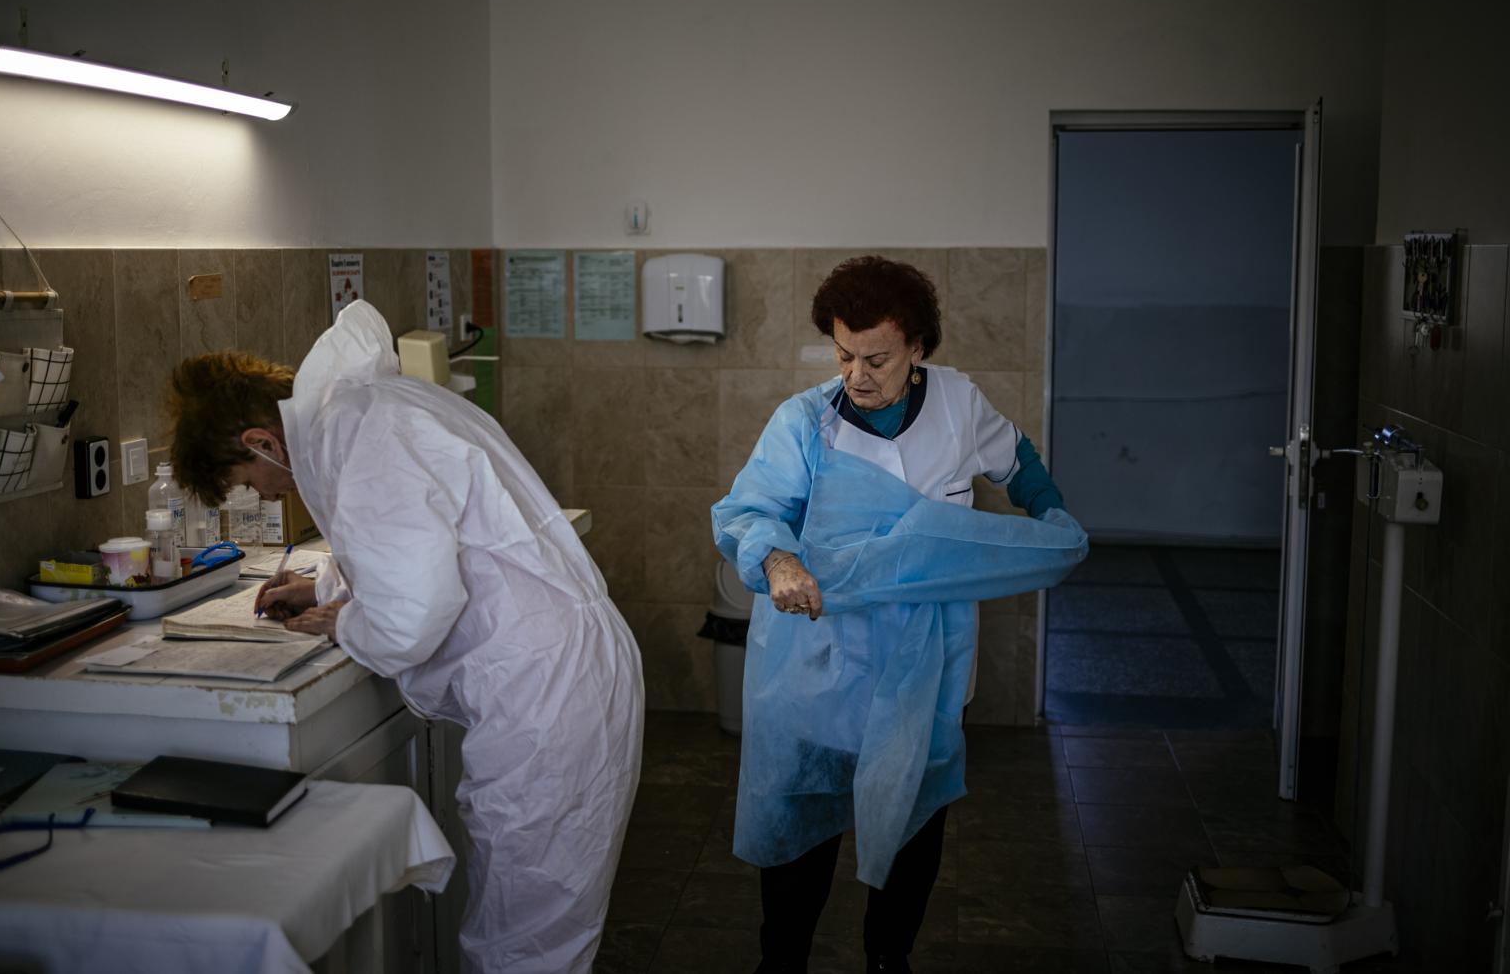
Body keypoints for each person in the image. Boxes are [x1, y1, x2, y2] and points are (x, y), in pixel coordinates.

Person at [165, 301, 644, 974]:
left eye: (251, 483)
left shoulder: (355, 433)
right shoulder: (367, 407)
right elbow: (414, 540)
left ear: (259, 442)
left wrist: (349, 621)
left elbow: (412, 615)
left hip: (544, 690)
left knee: (524, 940)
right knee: (531, 922)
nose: (267, 496)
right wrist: (330, 587)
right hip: (557, 670)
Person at [712, 256, 1080, 974]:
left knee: (912, 822)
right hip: (825, 664)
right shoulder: (805, 424)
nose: (857, 374)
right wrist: (777, 560)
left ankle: (889, 956)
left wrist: (1054, 516)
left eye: (876, 357)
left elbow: (1018, 463)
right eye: (844, 354)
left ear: (917, 348)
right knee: (805, 830)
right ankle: (781, 961)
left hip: (927, 668)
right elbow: (748, 510)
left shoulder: (959, 404)